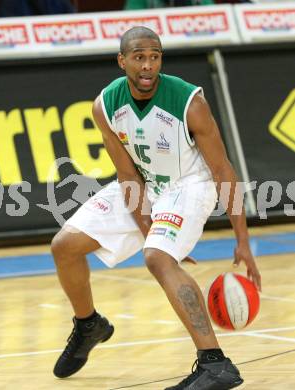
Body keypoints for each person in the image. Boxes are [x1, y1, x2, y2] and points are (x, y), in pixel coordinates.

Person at [51, 26, 261, 389]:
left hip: (191, 185)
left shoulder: (188, 101)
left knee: (157, 258)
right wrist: (149, 227)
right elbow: (127, 174)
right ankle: (89, 324)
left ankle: (215, 364)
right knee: (64, 246)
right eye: (139, 57)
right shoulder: (105, 105)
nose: (148, 65)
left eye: (155, 57)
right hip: (147, 183)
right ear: (122, 61)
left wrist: (242, 239)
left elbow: (223, 170)